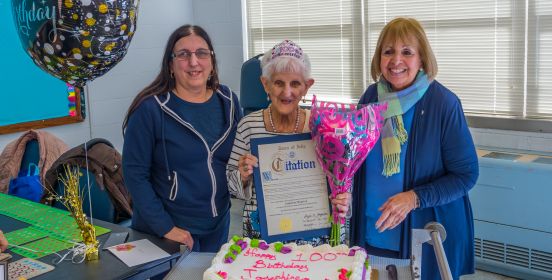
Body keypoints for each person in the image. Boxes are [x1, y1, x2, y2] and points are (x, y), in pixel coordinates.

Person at [344, 17, 479, 279]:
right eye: (388, 51)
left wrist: (413, 198)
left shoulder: (444, 103)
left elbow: (466, 175)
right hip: (373, 231)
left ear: (422, 59)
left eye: (407, 51)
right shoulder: (370, 97)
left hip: (423, 235)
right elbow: (355, 159)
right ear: (379, 58)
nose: (396, 60)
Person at [122, 25, 242, 252]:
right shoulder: (150, 109)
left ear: (212, 62)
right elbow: (134, 175)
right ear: (171, 65)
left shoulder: (228, 101)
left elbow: (238, 158)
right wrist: (165, 228)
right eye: (184, 54)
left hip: (218, 224)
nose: (194, 62)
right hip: (168, 232)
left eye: (202, 53)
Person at [226, 40, 348, 245]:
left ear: (307, 86)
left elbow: (343, 182)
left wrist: (344, 200)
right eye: (279, 83)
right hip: (263, 237)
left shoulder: (322, 127)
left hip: (317, 239)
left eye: (295, 83)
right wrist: (243, 176)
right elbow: (231, 186)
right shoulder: (248, 126)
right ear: (266, 84)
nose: (287, 92)